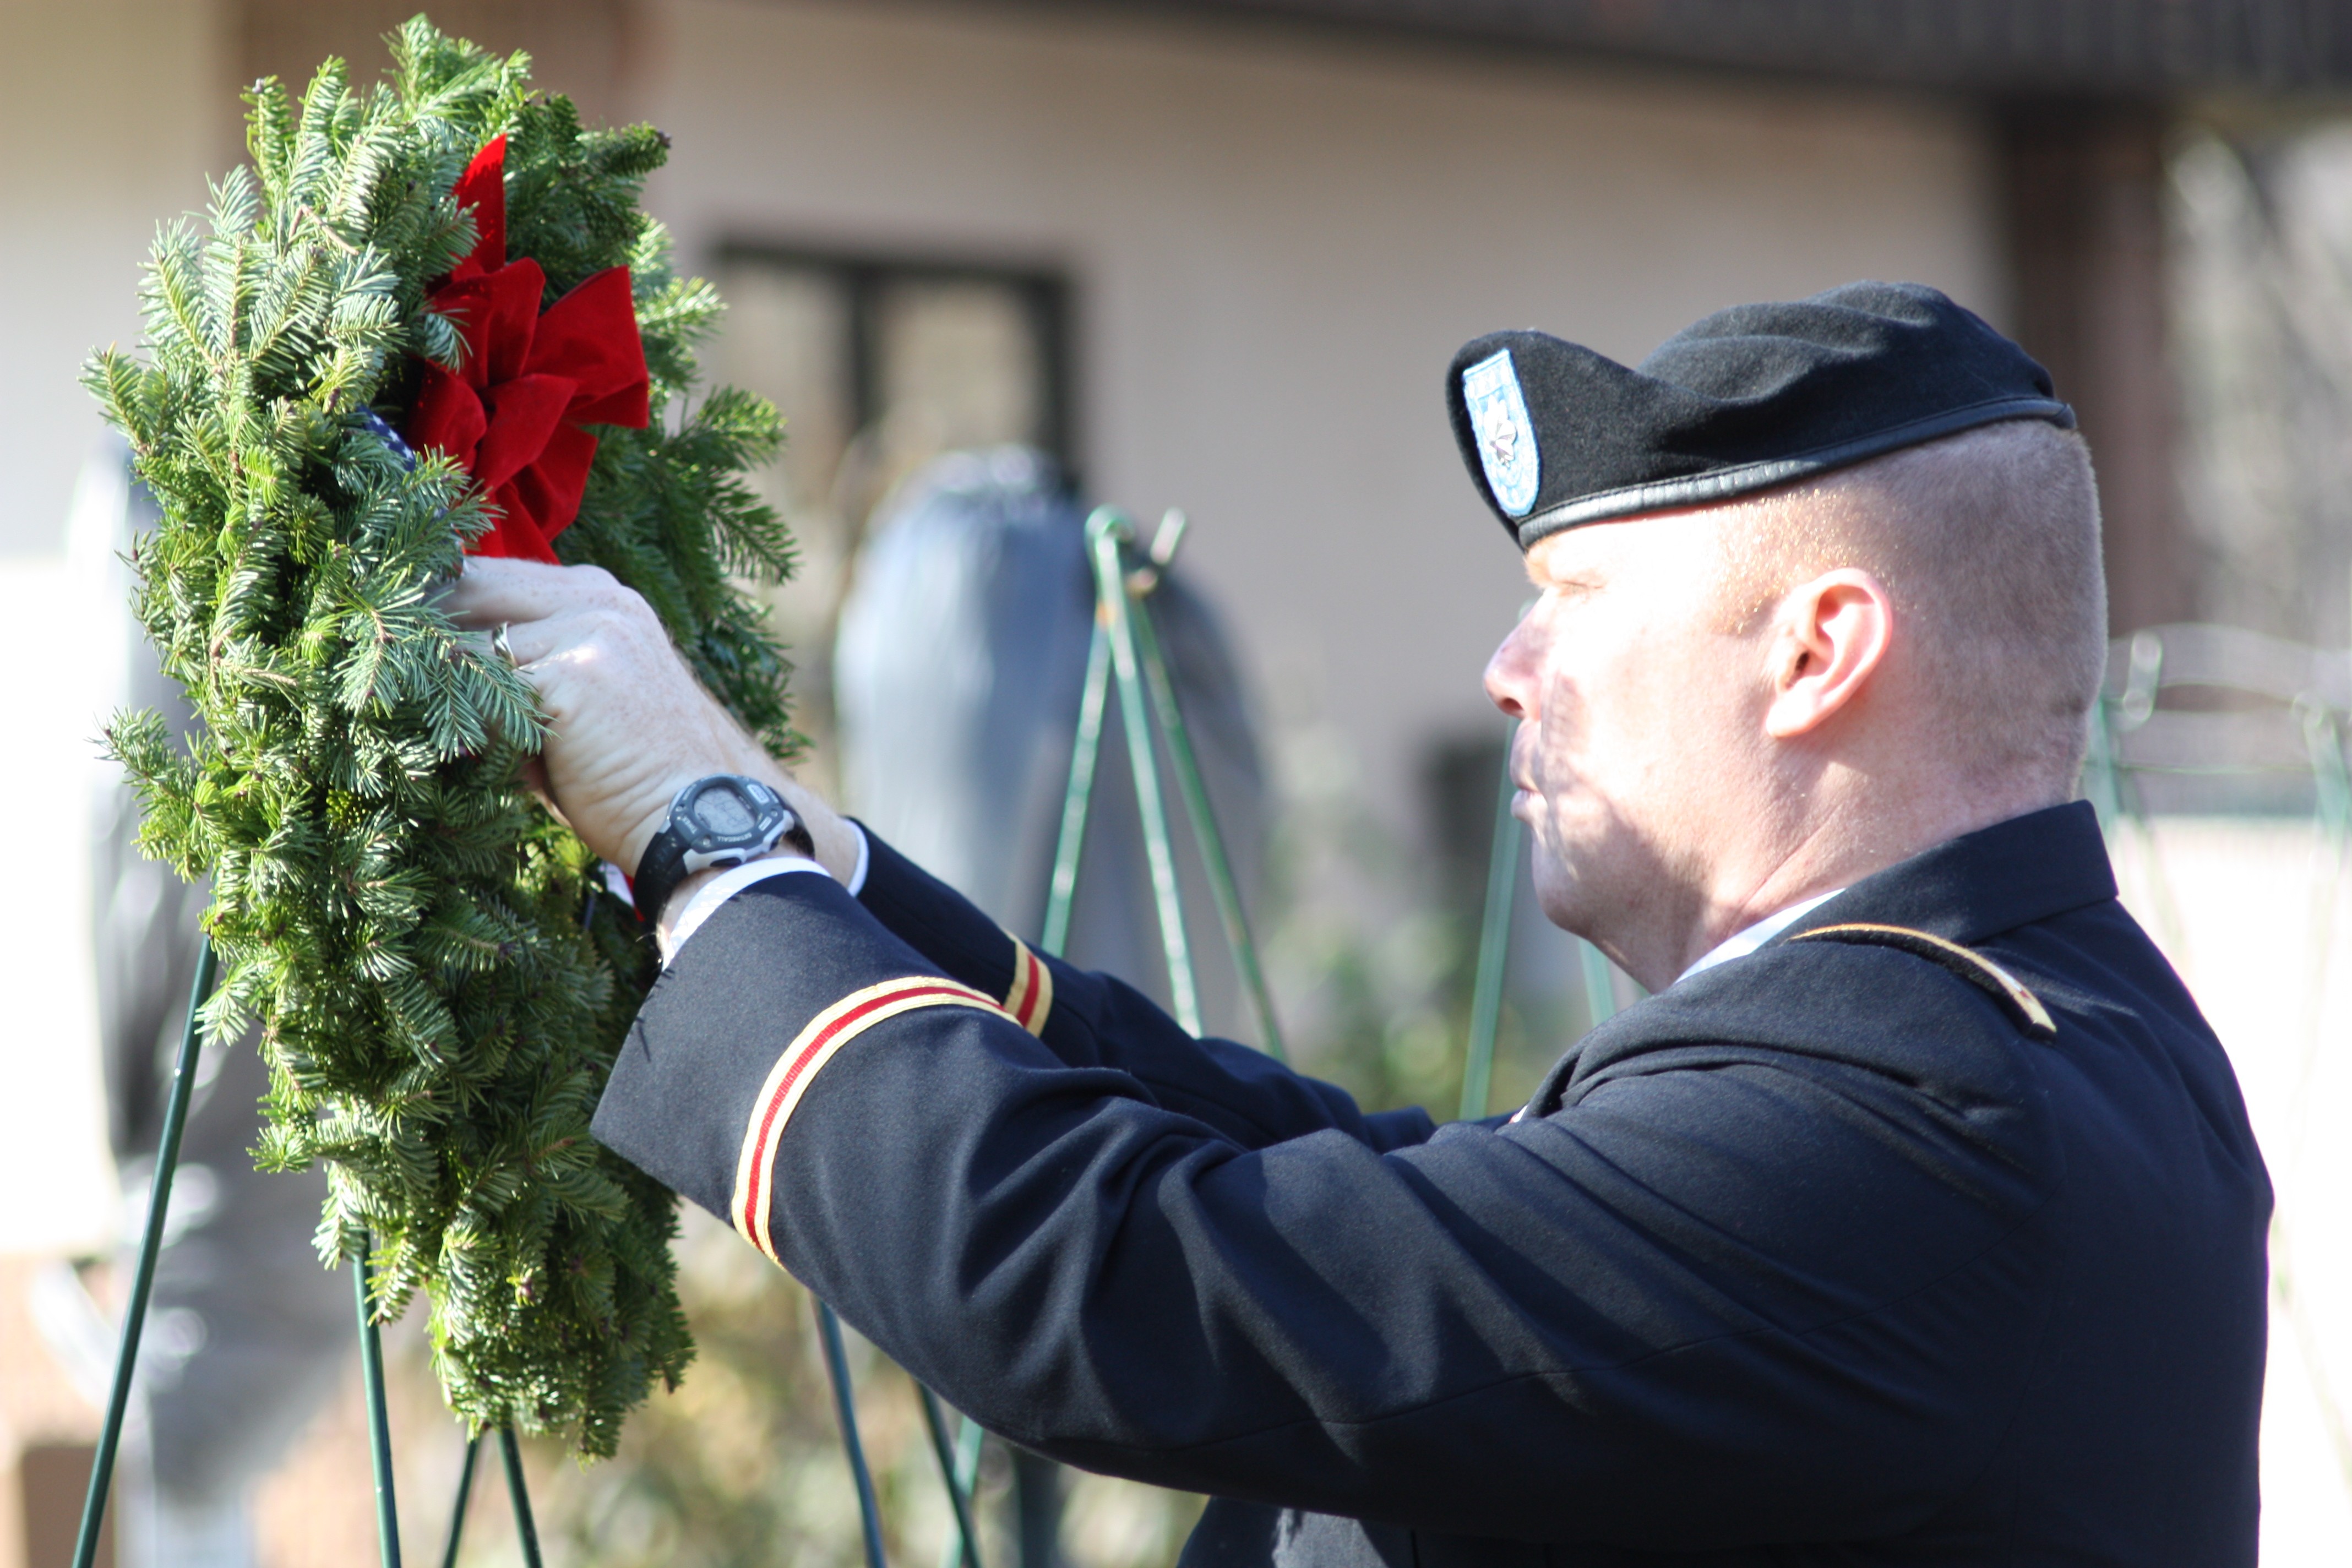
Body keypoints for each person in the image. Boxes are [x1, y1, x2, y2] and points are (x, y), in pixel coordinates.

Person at [447, 282, 2271, 1566]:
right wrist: (820, 873)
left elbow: (1149, 1282)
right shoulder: (2011, 1036)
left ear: (1819, 651)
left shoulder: (1923, 1127)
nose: (1507, 668)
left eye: (1578, 597)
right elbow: (1380, 1202)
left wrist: (704, 845)